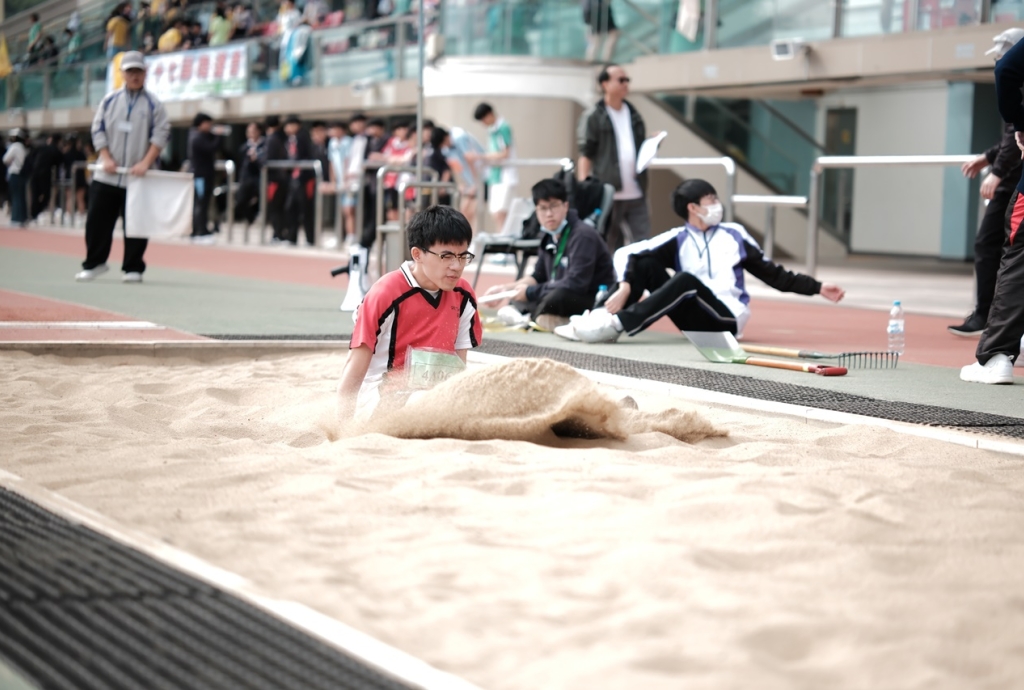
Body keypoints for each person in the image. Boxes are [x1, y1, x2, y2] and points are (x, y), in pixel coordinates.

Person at [554, 179, 846, 343]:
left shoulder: (735, 234)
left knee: (685, 281)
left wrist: (818, 287)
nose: (717, 204)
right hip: (692, 322)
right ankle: (597, 316)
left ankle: (617, 325)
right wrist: (626, 286)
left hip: (726, 322)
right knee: (644, 265)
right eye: (711, 199)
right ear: (693, 208)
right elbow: (628, 253)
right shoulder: (677, 238)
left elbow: (775, 275)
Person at [337, 205, 482, 420]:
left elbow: (459, 367)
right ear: (417, 254)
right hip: (383, 395)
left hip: (436, 393)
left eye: (462, 256)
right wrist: (341, 426)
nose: (456, 266)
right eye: (446, 256)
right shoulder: (385, 293)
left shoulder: (464, 295)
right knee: (426, 404)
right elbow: (354, 367)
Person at [950, 27, 1024, 337]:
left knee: (1004, 248)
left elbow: (1016, 135)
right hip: (1012, 177)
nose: (997, 59)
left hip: (1013, 181)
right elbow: (1012, 135)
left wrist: (996, 171)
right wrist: (988, 157)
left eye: (1002, 53)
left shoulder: (1013, 77)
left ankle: (990, 323)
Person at [75, 51, 170, 283]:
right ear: (122, 74)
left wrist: (145, 163)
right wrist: (106, 158)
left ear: (145, 73)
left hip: (138, 176)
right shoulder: (109, 101)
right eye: (130, 71)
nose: (134, 76)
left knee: (136, 223)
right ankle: (95, 263)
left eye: (138, 71)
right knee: (97, 221)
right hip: (107, 174)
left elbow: (160, 135)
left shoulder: (154, 104)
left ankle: (133, 267)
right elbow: (98, 129)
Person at [485, 178, 616, 331]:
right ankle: (538, 317)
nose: (549, 214)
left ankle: (531, 317)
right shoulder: (548, 235)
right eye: (543, 208)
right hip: (559, 291)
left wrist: (530, 292)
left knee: (555, 297)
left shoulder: (583, 235)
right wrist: (506, 289)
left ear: (566, 206)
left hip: (590, 296)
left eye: (554, 206)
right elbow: (537, 276)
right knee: (519, 297)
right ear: (536, 211)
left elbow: (576, 283)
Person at [577, 64, 653, 251]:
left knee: (643, 243)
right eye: (620, 80)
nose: (625, 84)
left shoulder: (634, 114)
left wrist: (652, 143)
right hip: (609, 191)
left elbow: (637, 146)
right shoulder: (594, 116)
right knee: (608, 243)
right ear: (605, 84)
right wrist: (585, 187)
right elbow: (586, 152)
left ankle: (639, 271)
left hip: (636, 189)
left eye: (627, 80)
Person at [466, 103, 517, 234]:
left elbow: (505, 153)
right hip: (495, 176)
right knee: (496, 212)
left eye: (483, 119)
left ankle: (503, 240)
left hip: (505, 175)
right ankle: (501, 238)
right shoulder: (492, 130)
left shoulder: (503, 127)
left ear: (489, 114)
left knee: (501, 212)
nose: (483, 123)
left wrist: (479, 156)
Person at [188, 112, 224, 243]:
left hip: (203, 175)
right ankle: (199, 231)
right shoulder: (197, 137)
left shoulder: (198, 135)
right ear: (201, 124)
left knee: (203, 203)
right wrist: (219, 136)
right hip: (200, 176)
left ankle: (200, 230)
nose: (210, 126)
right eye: (208, 123)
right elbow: (212, 148)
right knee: (201, 203)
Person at [282, 114, 317, 245]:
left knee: (306, 209)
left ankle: (310, 239)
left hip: (305, 178)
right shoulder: (290, 139)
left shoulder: (303, 137)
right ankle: (292, 237)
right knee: (291, 208)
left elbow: (305, 155)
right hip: (294, 178)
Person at [235, 121, 265, 226]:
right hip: (246, 177)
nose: (250, 134)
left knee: (263, 199)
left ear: (259, 131)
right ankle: (251, 218)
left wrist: (257, 158)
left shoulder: (265, 145)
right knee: (240, 200)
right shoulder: (244, 147)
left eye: (253, 131)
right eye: (248, 131)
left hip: (261, 177)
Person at [4, 129, 28, 227]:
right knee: (21, 196)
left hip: (14, 173)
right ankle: (22, 218)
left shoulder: (14, 146)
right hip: (22, 174)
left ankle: (16, 218)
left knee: (15, 196)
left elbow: (5, 159)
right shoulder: (23, 147)